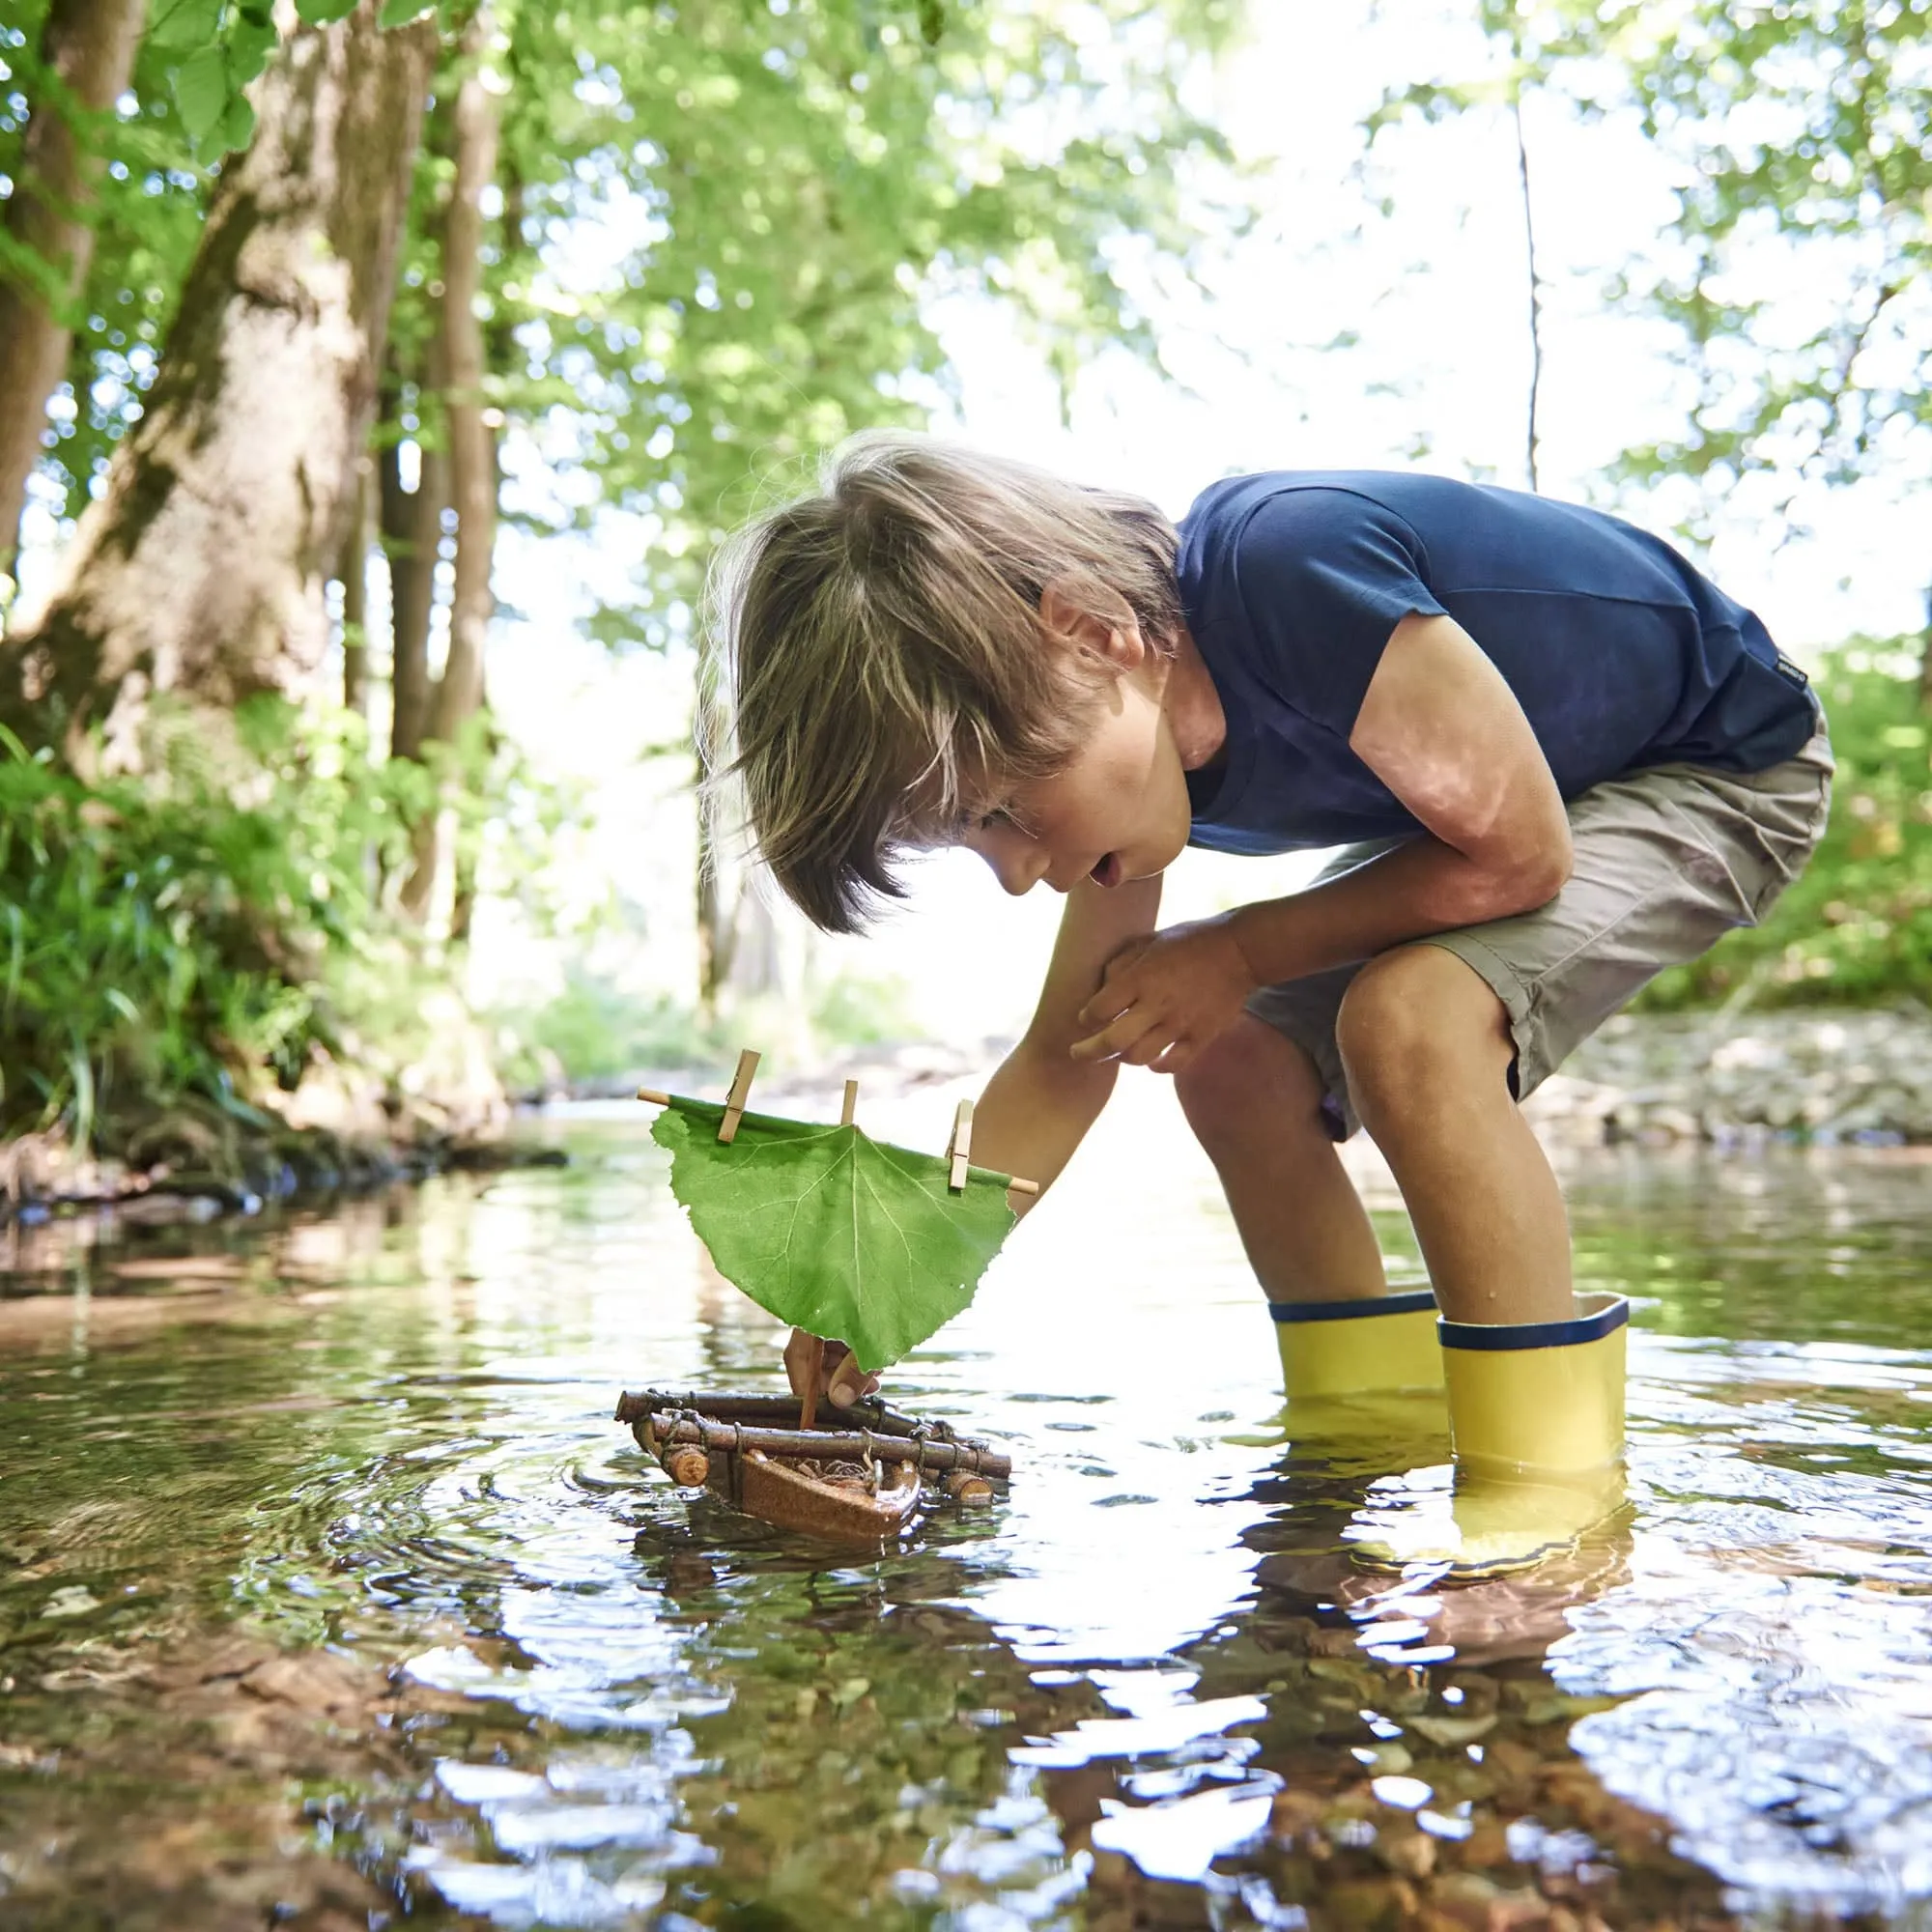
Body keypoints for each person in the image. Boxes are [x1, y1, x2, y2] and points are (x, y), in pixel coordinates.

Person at [714, 433, 1832, 1571]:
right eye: (970, 841)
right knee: (1229, 1053)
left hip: (1713, 767)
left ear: (1091, 633)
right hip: (1496, 820)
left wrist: (1238, 948)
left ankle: (1547, 1505)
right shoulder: (1135, 747)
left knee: (1408, 1019)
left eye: (1005, 807)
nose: (1013, 871)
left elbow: (1518, 858)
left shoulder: (1288, 565)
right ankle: (1367, 1441)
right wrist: (889, 1274)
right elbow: (1067, 1055)